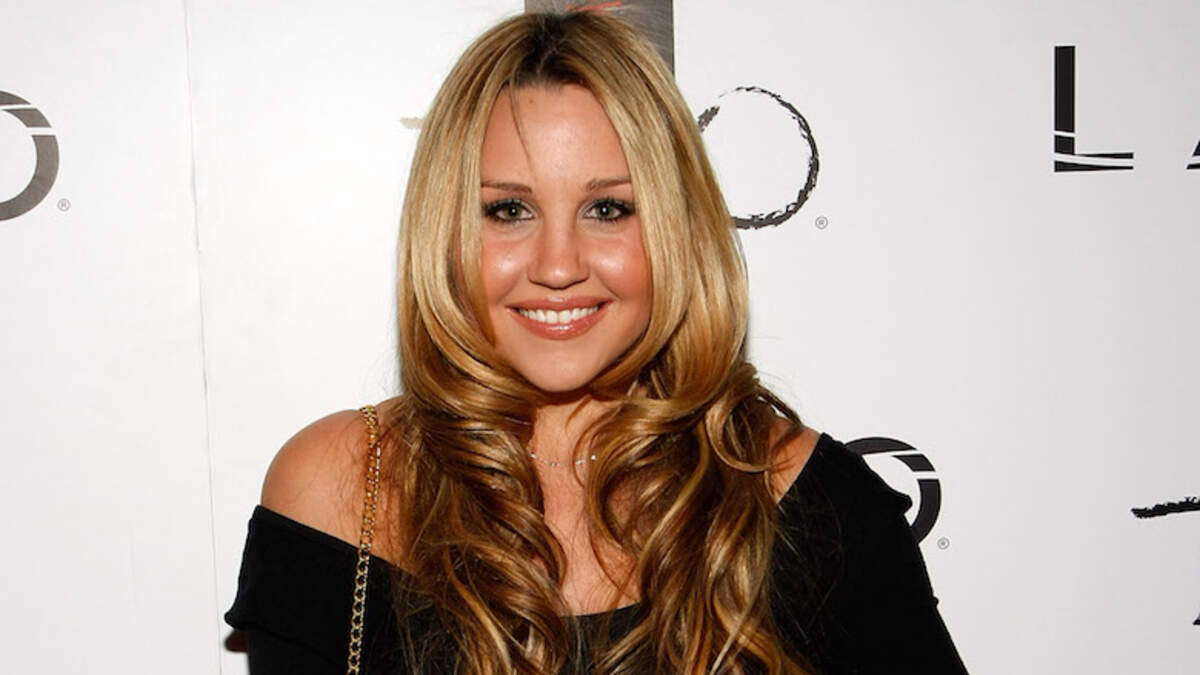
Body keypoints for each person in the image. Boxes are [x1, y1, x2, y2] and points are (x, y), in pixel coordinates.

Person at [226, 10, 967, 675]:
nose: (558, 266)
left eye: (608, 208)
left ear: (677, 228)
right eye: (508, 210)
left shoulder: (806, 503)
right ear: (445, 230)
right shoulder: (336, 490)